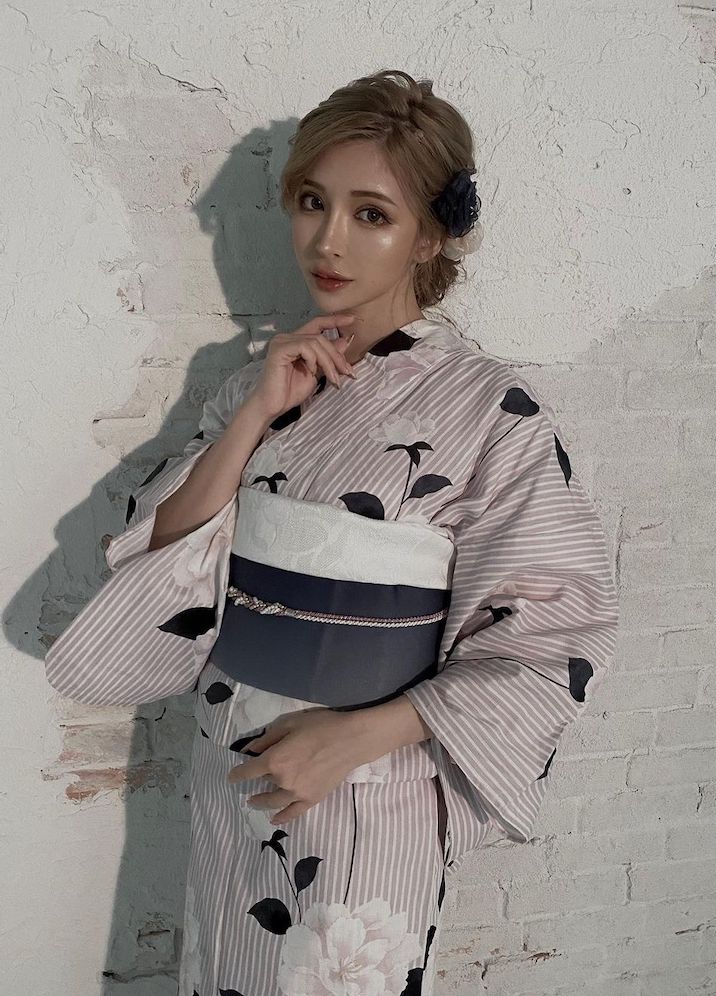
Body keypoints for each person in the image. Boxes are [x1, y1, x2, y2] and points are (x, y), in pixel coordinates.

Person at [44, 69, 620, 996]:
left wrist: (355, 739)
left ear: (429, 234)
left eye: (370, 214)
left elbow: (554, 635)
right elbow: (167, 557)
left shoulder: (492, 409)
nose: (327, 240)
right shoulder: (260, 379)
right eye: (312, 202)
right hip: (232, 760)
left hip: (369, 780)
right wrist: (252, 418)